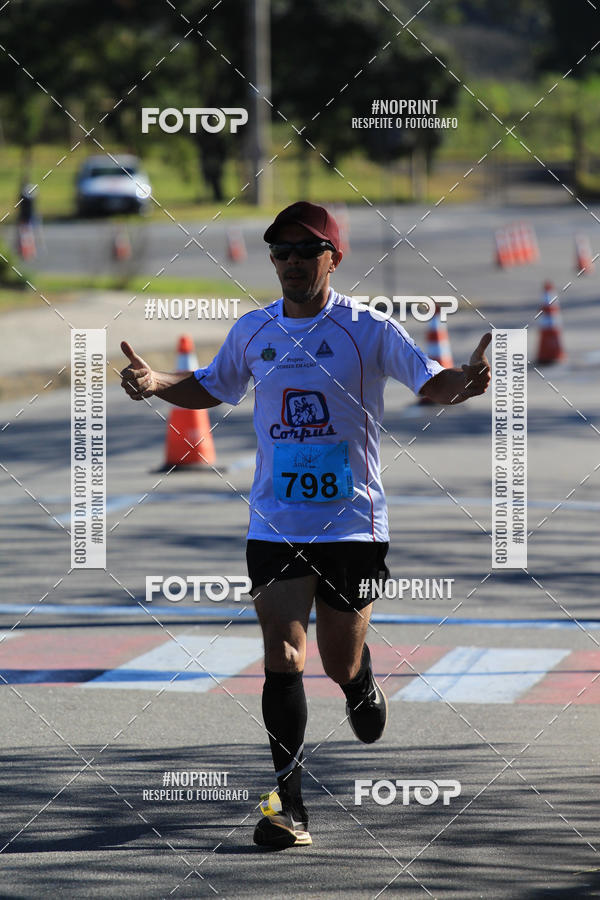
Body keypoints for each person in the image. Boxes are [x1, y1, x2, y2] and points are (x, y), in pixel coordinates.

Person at [120, 201, 491, 849]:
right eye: (280, 251)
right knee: (282, 656)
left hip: (352, 523)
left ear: (333, 258)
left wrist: (467, 381)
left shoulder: (366, 329)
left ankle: (359, 679)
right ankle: (288, 807)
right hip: (275, 519)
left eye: (305, 250)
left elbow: (430, 383)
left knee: (335, 660)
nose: (291, 261)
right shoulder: (253, 329)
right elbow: (212, 385)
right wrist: (157, 383)